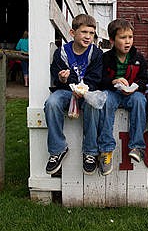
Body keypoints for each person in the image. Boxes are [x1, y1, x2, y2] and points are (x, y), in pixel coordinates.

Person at [44, 14, 103, 175]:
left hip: (87, 92)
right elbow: (57, 73)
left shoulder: (95, 53)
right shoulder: (62, 52)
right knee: (52, 103)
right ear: (72, 32)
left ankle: (90, 152)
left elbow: (96, 77)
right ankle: (57, 149)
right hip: (66, 91)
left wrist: (81, 89)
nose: (88, 37)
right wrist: (62, 78)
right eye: (84, 32)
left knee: (93, 105)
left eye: (91, 33)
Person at [97, 18, 148, 175]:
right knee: (105, 101)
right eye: (123, 38)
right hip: (112, 92)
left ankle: (137, 146)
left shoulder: (138, 58)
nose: (127, 42)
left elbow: (145, 79)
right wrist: (113, 81)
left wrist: (135, 87)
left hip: (131, 93)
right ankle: (106, 150)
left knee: (141, 100)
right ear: (112, 40)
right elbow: (99, 80)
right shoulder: (105, 58)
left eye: (130, 37)